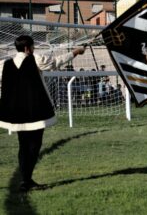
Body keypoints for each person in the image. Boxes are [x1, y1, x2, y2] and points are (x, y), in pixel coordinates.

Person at [0, 35, 85, 192]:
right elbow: (55, 62)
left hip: (16, 114)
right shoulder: (36, 59)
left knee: (23, 146)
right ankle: (26, 180)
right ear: (27, 48)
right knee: (34, 145)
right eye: (33, 47)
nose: (34, 50)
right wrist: (75, 52)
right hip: (35, 111)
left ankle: (26, 179)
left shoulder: (4, 64)